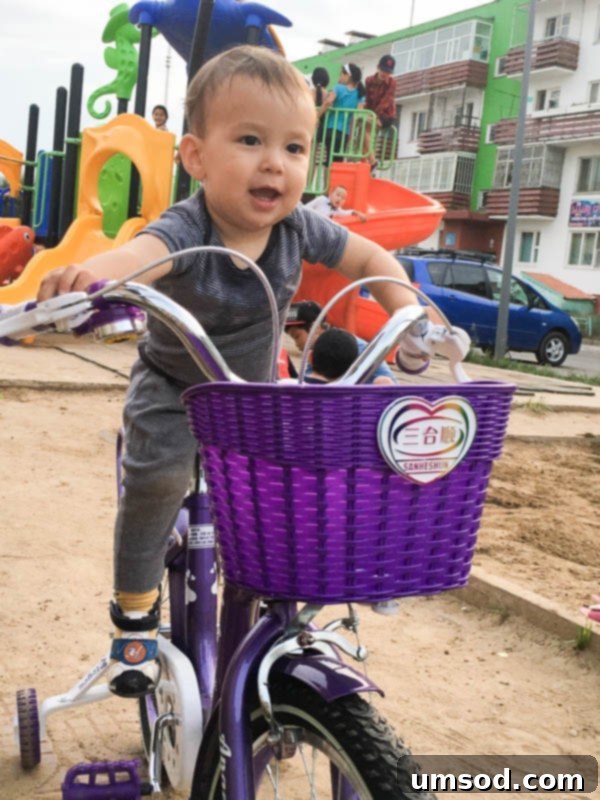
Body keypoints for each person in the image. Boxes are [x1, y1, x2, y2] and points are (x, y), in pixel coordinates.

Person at [38, 45, 466, 699]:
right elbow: (140, 255)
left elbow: (369, 258)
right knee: (154, 480)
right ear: (197, 158)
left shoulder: (299, 228)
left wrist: (410, 312)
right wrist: (93, 279)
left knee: (300, 488)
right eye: (249, 140)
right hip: (179, 388)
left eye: (294, 149)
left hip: (256, 398)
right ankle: (133, 615)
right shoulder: (188, 226)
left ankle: (297, 613)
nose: (275, 162)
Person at [284, 300, 397, 385]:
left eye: (297, 336)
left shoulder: (350, 346)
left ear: (315, 327)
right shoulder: (318, 351)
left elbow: (391, 384)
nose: (296, 344)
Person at [319, 63, 365, 162]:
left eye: (341, 74)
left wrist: (317, 116)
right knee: (338, 160)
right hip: (344, 132)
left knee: (329, 160)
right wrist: (351, 135)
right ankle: (334, 178)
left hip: (330, 128)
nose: (340, 77)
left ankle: (329, 178)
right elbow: (356, 117)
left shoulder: (338, 88)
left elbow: (328, 102)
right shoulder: (360, 94)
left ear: (348, 75)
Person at [363, 55, 397, 172]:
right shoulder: (369, 81)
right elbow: (367, 99)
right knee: (361, 128)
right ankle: (366, 161)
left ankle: (372, 161)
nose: (385, 74)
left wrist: (372, 115)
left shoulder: (391, 83)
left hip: (386, 115)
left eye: (388, 72)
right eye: (383, 70)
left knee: (366, 128)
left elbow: (385, 102)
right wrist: (365, 112)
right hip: (371, 113)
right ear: (378, 68)